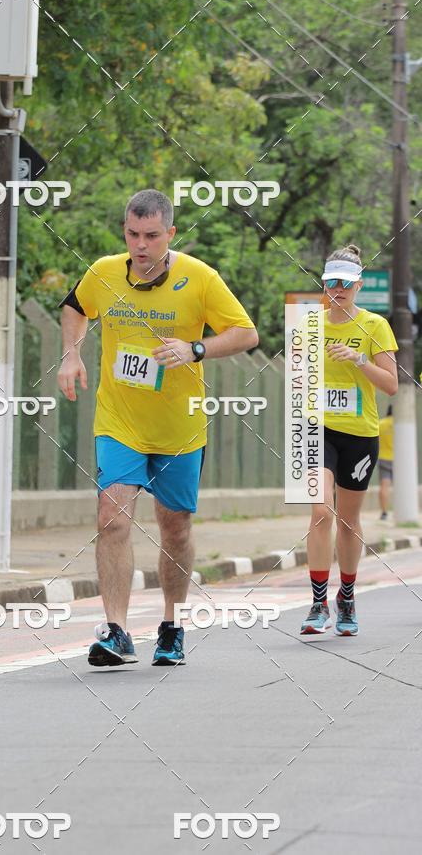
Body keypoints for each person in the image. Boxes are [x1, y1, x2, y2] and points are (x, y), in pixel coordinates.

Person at [57, 189, 258, 667]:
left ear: (171, 233)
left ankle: (172, 625)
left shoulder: (200, 278)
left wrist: (196, 349)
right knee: (111, 517)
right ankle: (116, 632)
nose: (140, 245)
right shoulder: (104, 273)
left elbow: (246, 333)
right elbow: (74, 307)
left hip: (179, 428)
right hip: (119, 421)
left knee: (176, 528)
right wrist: (71, 354)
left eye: (151, 235)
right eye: (132, 234)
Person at [301, 245, 398, 637]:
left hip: (360, 434)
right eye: (331, 283)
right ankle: (318, 603)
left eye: (344, 283)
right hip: (316, 430)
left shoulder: (375, 325)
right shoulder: (308, 324)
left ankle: (347, 597)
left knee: (348, 520)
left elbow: (391, 385)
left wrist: (359, 360)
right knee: (320, 512)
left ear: (358, 285)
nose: (337, 290)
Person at [377, 405, 393, 520]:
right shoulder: (400, 423)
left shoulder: (381, 424)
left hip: (384, 458)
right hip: (400, 460)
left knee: (384, 485)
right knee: (403, 486)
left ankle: (384, 512)